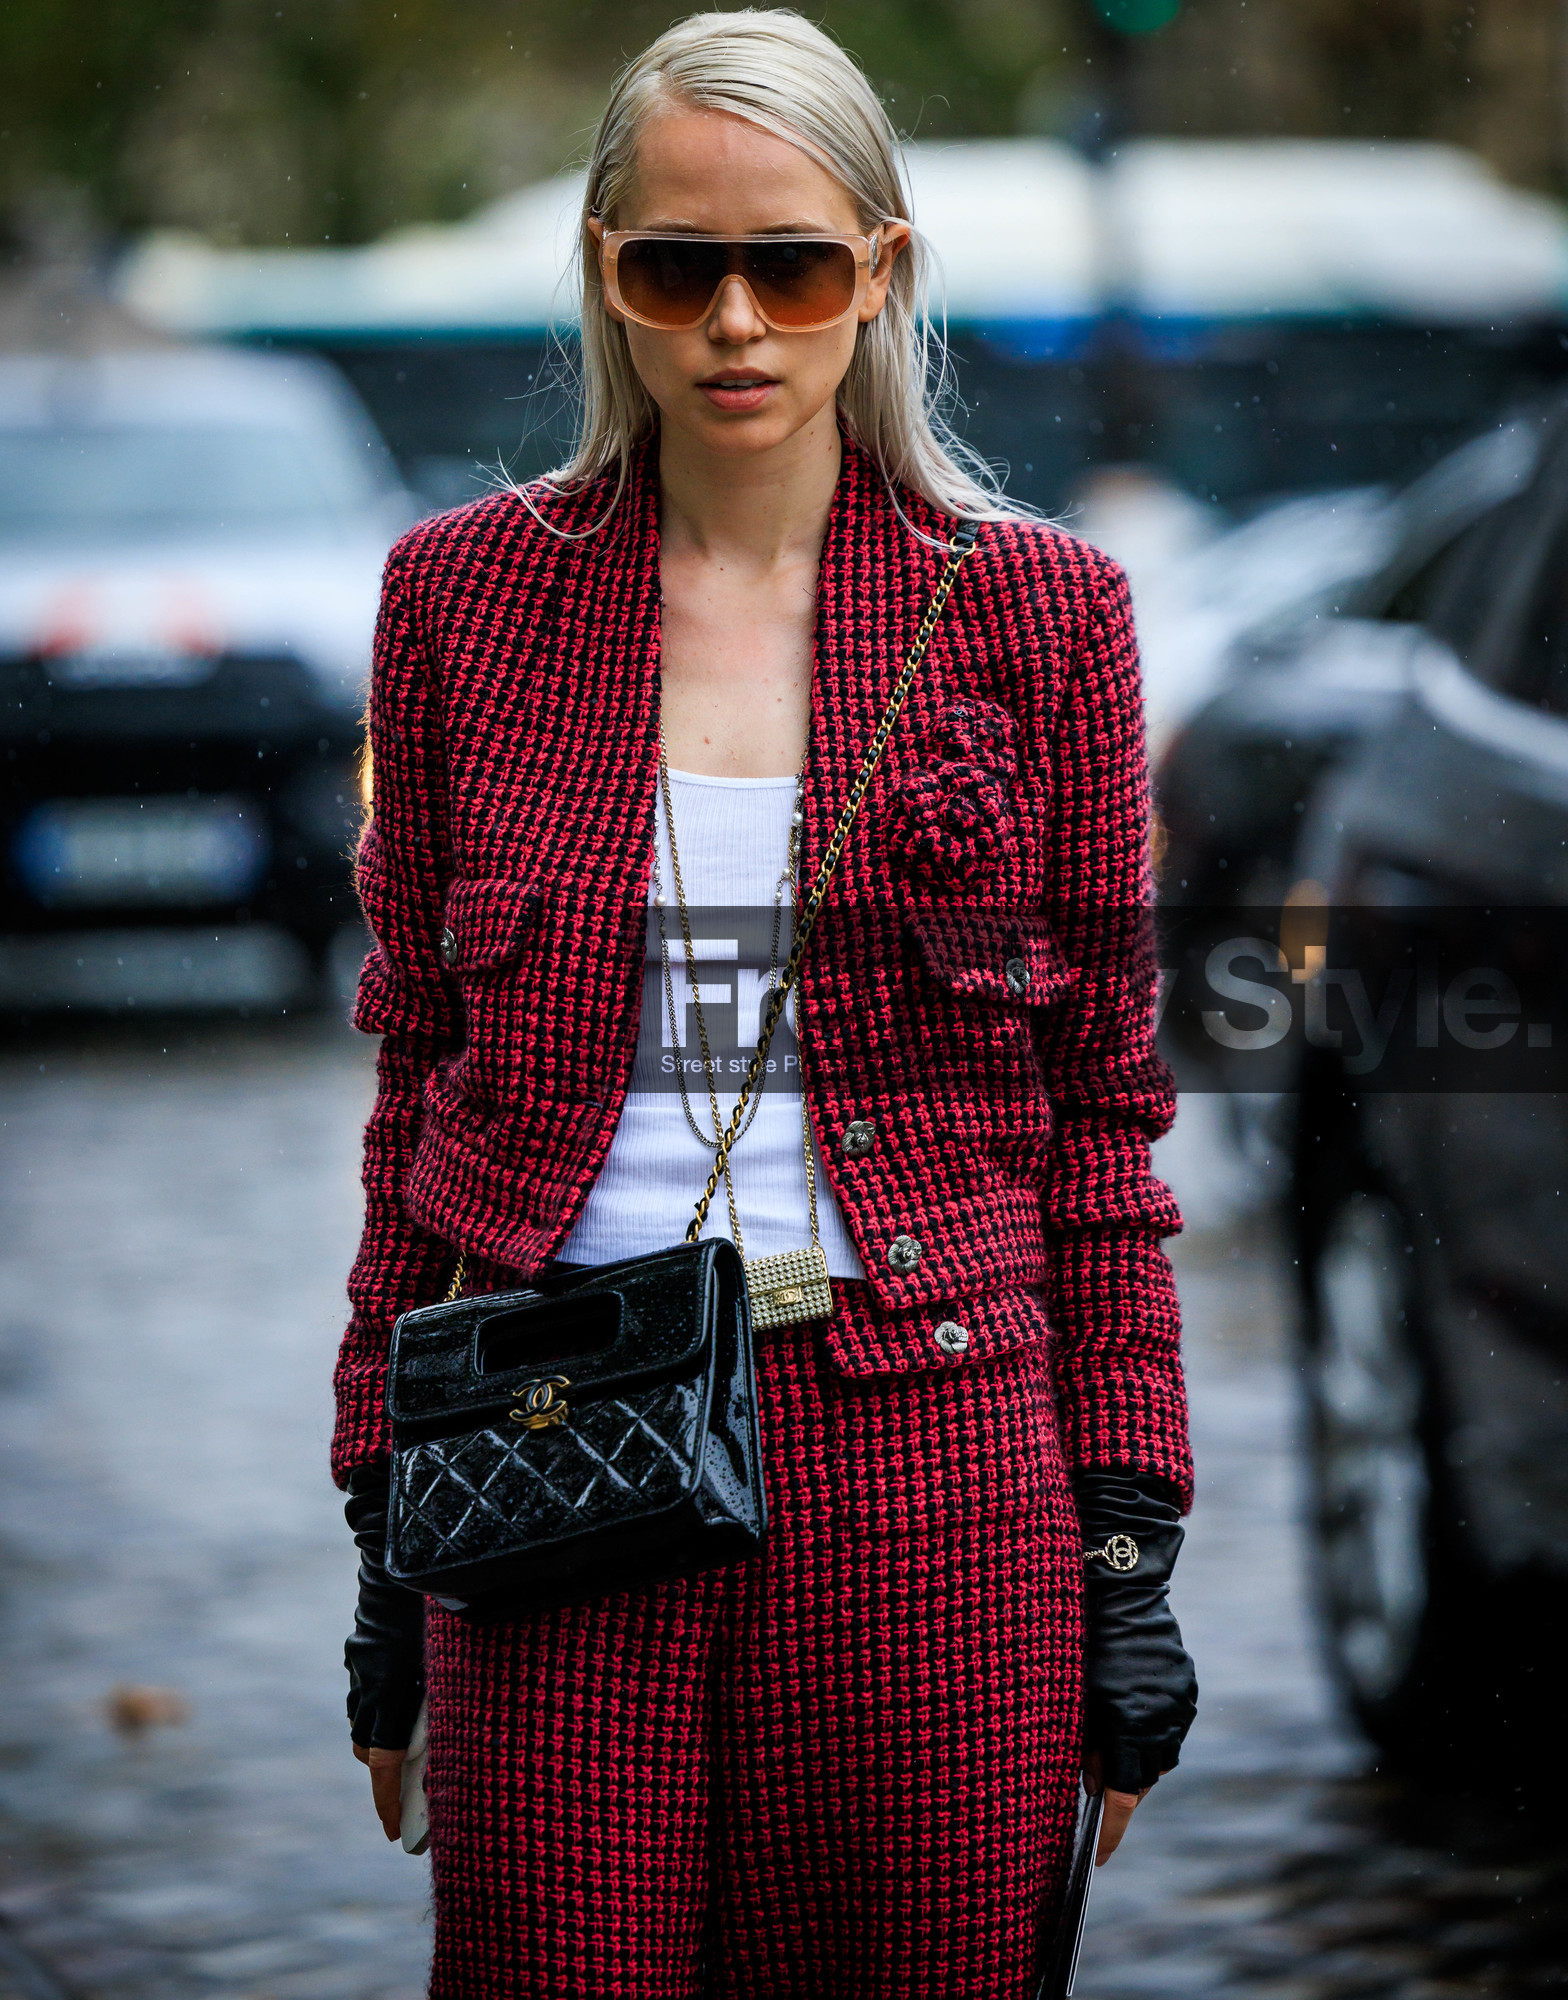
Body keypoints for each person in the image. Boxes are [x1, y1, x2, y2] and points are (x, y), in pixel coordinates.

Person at [333, 10, 1196, 1997]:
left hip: (933, 1460)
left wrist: (1127, 1548)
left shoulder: (1040, 612)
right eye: (674, 265)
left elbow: (1100, 1115)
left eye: (790, 264)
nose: (734, 319)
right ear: (602, 274)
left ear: (875, 272)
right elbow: (413, 1090)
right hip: (549, 1441)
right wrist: (385, 1524)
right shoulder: (458, 600)